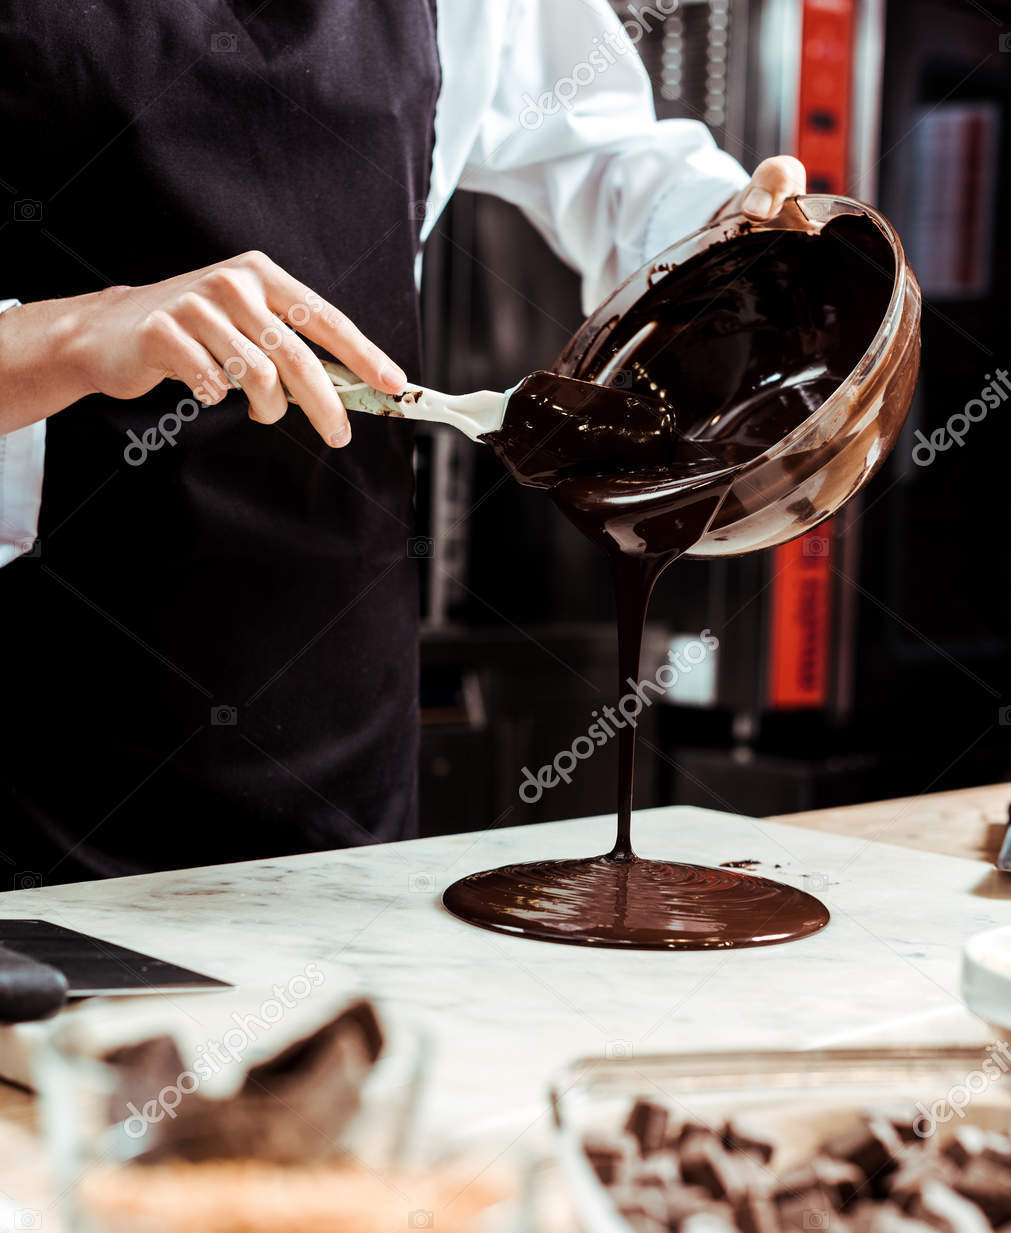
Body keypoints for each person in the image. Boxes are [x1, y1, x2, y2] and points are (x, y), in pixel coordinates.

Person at [0, 0, 804, 888]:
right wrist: (75, 334)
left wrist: (718, 226)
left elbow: (602, 151)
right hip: (35, 713)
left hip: (333, 689)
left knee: (329, 1010)